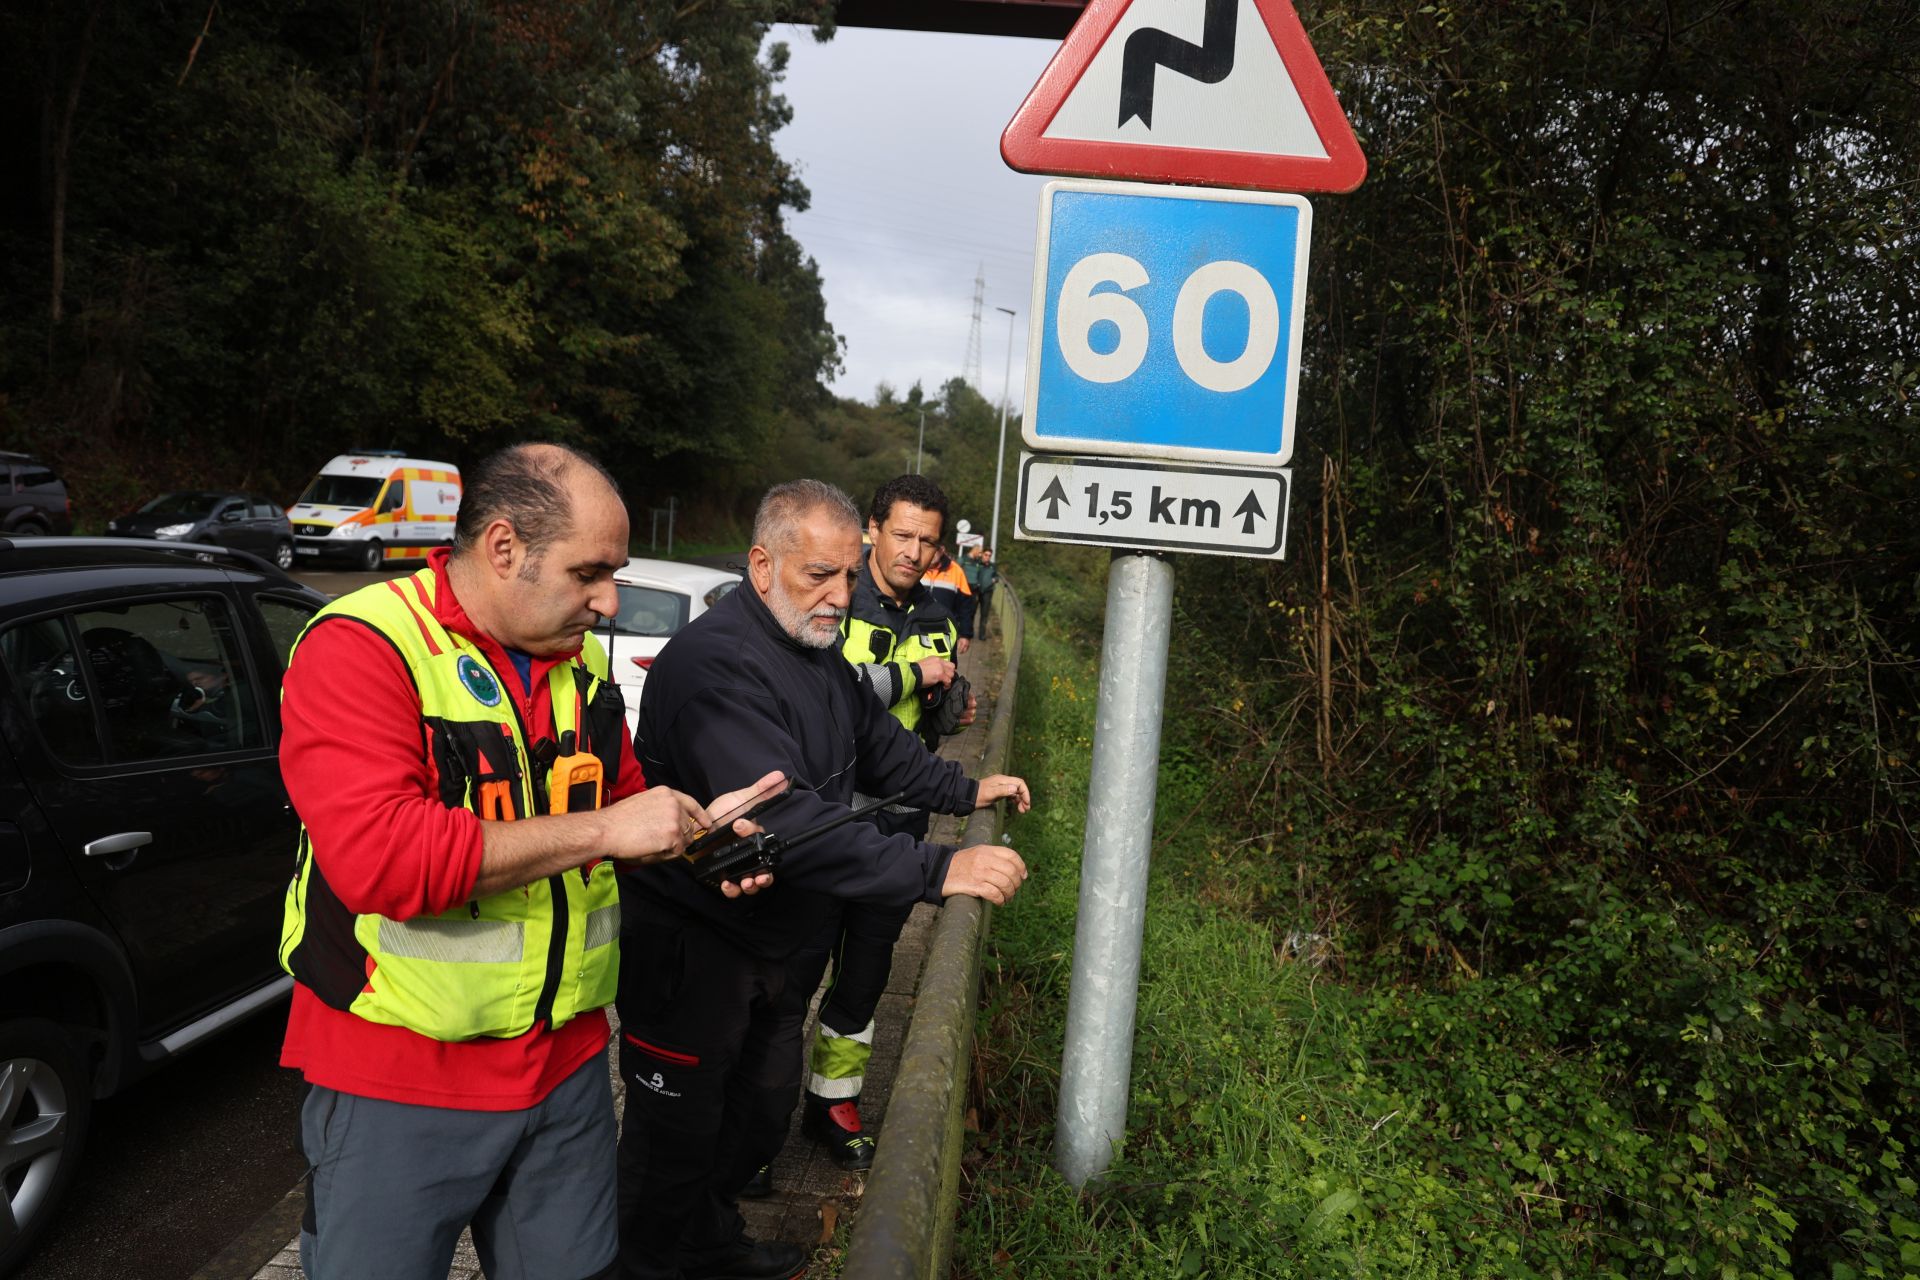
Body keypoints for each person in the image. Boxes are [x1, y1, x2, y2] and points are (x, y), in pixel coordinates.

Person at [276, 443, 775, 1280]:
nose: (609, 600)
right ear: (503, 547)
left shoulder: (575, 668)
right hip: (399, 1077)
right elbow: (381, 861)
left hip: (568, 1069)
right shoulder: (362, 646)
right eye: (591, 573)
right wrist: (605, 831)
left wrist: (700, 836)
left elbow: (621, 808)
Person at [617, 478, 1031, 1280]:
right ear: (762, 564)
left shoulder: (814, 649)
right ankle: (652, 1261)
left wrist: (964, 791)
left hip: (778, 946)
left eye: (849, 576)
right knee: (674, 1142)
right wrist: (939, 866)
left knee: (759, 1113)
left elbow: (879, 745)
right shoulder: (715, 667)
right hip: (697, 952)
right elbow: (788, 822)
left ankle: (712, 1241)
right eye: (820, 576)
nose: (841, 597)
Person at [793, 474, 989, 1170]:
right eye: (902, 535)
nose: (913, 552)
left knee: (866, 975)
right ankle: (754, 1122)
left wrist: (952, 702)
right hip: (824, 820)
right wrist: (919, 676)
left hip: (900, 824)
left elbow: (934, 719)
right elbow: (831, 694)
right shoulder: (835, 598)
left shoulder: (940, 613)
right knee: (791, 969)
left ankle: (831, 1103)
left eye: (928, 542)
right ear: (873, 529)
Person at [920, 543, 975, 653]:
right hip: (914, 632)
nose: (931, 552)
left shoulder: (956, 571)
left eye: (935, 548)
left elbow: (966, 606)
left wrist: (965, 634)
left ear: (942, 550)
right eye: (928, 547)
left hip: (944, 633)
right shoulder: (915, 567)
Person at [962, 545, 997, 639]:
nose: (987, 557)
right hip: (976, 591)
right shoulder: (976, 563)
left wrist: (994, 580)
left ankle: (982, 634)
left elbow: (996, 576)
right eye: (986, 555)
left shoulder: (992, 566)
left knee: (984, 614)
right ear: (982, 555)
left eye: (989, 555)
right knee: (972, 612)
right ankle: (969, 632)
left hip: (987, 592)